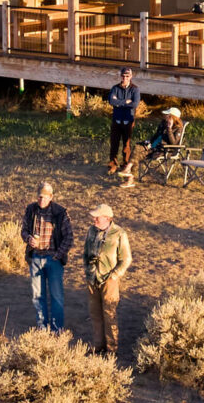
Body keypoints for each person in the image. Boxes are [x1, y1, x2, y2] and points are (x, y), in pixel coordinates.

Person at [20, 181, 71, 333]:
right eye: (40, 197)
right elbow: (23, 230)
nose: (41, 200)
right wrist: (28, 238)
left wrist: (58, 255)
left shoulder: (60, 213)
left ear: (51, 197)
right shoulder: (31, 210)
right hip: (36, 257)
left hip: (53, 260)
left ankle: (57, 329)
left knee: (56, 297)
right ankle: (42, 328)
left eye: (45, 197)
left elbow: (69, 237)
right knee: (38, 296)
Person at [81, 203, 132, 355]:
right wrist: (87, 269)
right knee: (95, 314)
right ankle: (98, 346)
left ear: (107, 218)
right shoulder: (91, 231)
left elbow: (126, 259)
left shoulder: (119, 234)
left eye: (97, 217)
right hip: (92, 278)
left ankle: (111, 349)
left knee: (109, 314)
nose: (94, 220)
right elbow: (85, 253)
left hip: (109, 280)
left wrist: (114, 276)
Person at [103, 67, 141, 183]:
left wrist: (119, 103)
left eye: (127, 76)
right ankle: (113, 164)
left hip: (128, 120)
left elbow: (135, 104)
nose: (125, 78)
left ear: (131, 76)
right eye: (123, 76)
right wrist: (125, 102)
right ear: (121, 76)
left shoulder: (135, 89)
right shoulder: (115, 88)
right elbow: (111, 101)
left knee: (126, 144)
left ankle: (125, 165)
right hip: (116, 119)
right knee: (114, 143)